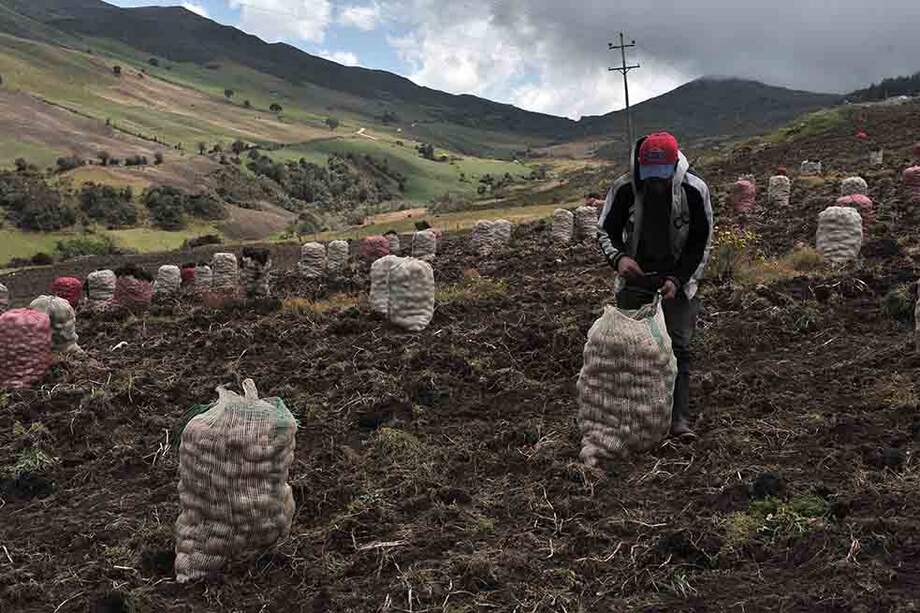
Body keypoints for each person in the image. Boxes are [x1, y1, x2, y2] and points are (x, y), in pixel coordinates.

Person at [596, 132, 713, 438]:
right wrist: (620, 259)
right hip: (636, 276)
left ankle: (677, 418)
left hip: (678, 278)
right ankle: (632, 417)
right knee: (628, 347)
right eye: (650, 176)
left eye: (662, 177)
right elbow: (605, 231)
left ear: (675, 167)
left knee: (678, 346)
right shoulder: (625, 188)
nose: (656, 183)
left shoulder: (693, 190)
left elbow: (700, 243)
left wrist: (678, 279)